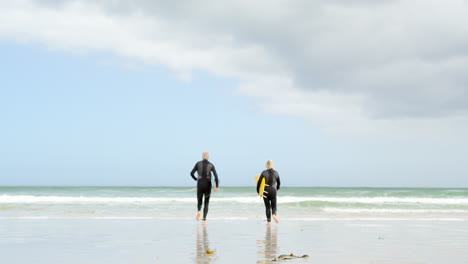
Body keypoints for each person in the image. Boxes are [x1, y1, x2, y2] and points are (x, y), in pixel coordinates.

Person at [190, 151, 219, 225]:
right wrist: (217, 186)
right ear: (208, 157)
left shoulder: (198, 163)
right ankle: (204, 220)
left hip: (200, 184)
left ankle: (199, 211)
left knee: (199, 201)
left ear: (202, 157)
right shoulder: (211, 165)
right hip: (207, 185)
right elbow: (216, 177)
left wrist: (195, 179)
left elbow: (191, 173)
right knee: (206, 202)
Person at [257, 159, 281, 224]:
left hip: (265, 190)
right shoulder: (276, 173)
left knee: (267, 206)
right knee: (274, 205)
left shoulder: (264, 172)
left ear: (266, 165)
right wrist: (277, 189)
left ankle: (269, 222)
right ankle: (274, 214)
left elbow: (259, 183)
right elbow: (279, 183)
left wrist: (258, 191)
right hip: (273, 190)